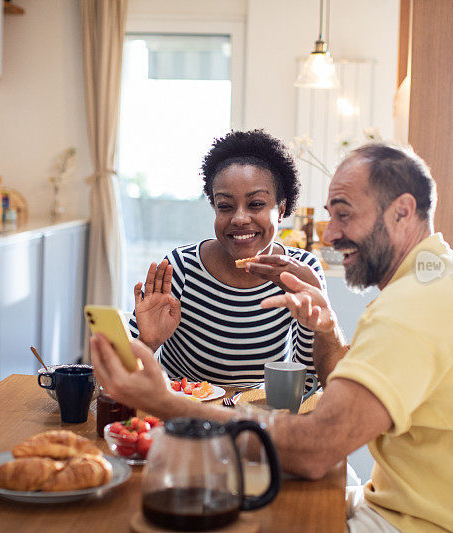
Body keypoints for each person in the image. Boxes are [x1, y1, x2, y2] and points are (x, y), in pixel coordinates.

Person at [93, 142, 453, 532]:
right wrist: (327, 326)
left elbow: (313, 450)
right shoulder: (434, 283)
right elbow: (336, 405)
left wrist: (169, 404)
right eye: (332, 216)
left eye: (344, 216)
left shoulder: (414, 309)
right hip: (419, 506)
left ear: (402, 212)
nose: (329, 236)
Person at [127, 129, 326, 387]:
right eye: (225, 206)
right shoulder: (181, 268)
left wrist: (316, 319)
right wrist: (147, 343)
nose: (240, 218)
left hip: (259, 415)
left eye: (256, 204)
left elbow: (309, 384)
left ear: (282, 210)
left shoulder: (303, 270)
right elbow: (117, 377)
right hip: (182, 414)